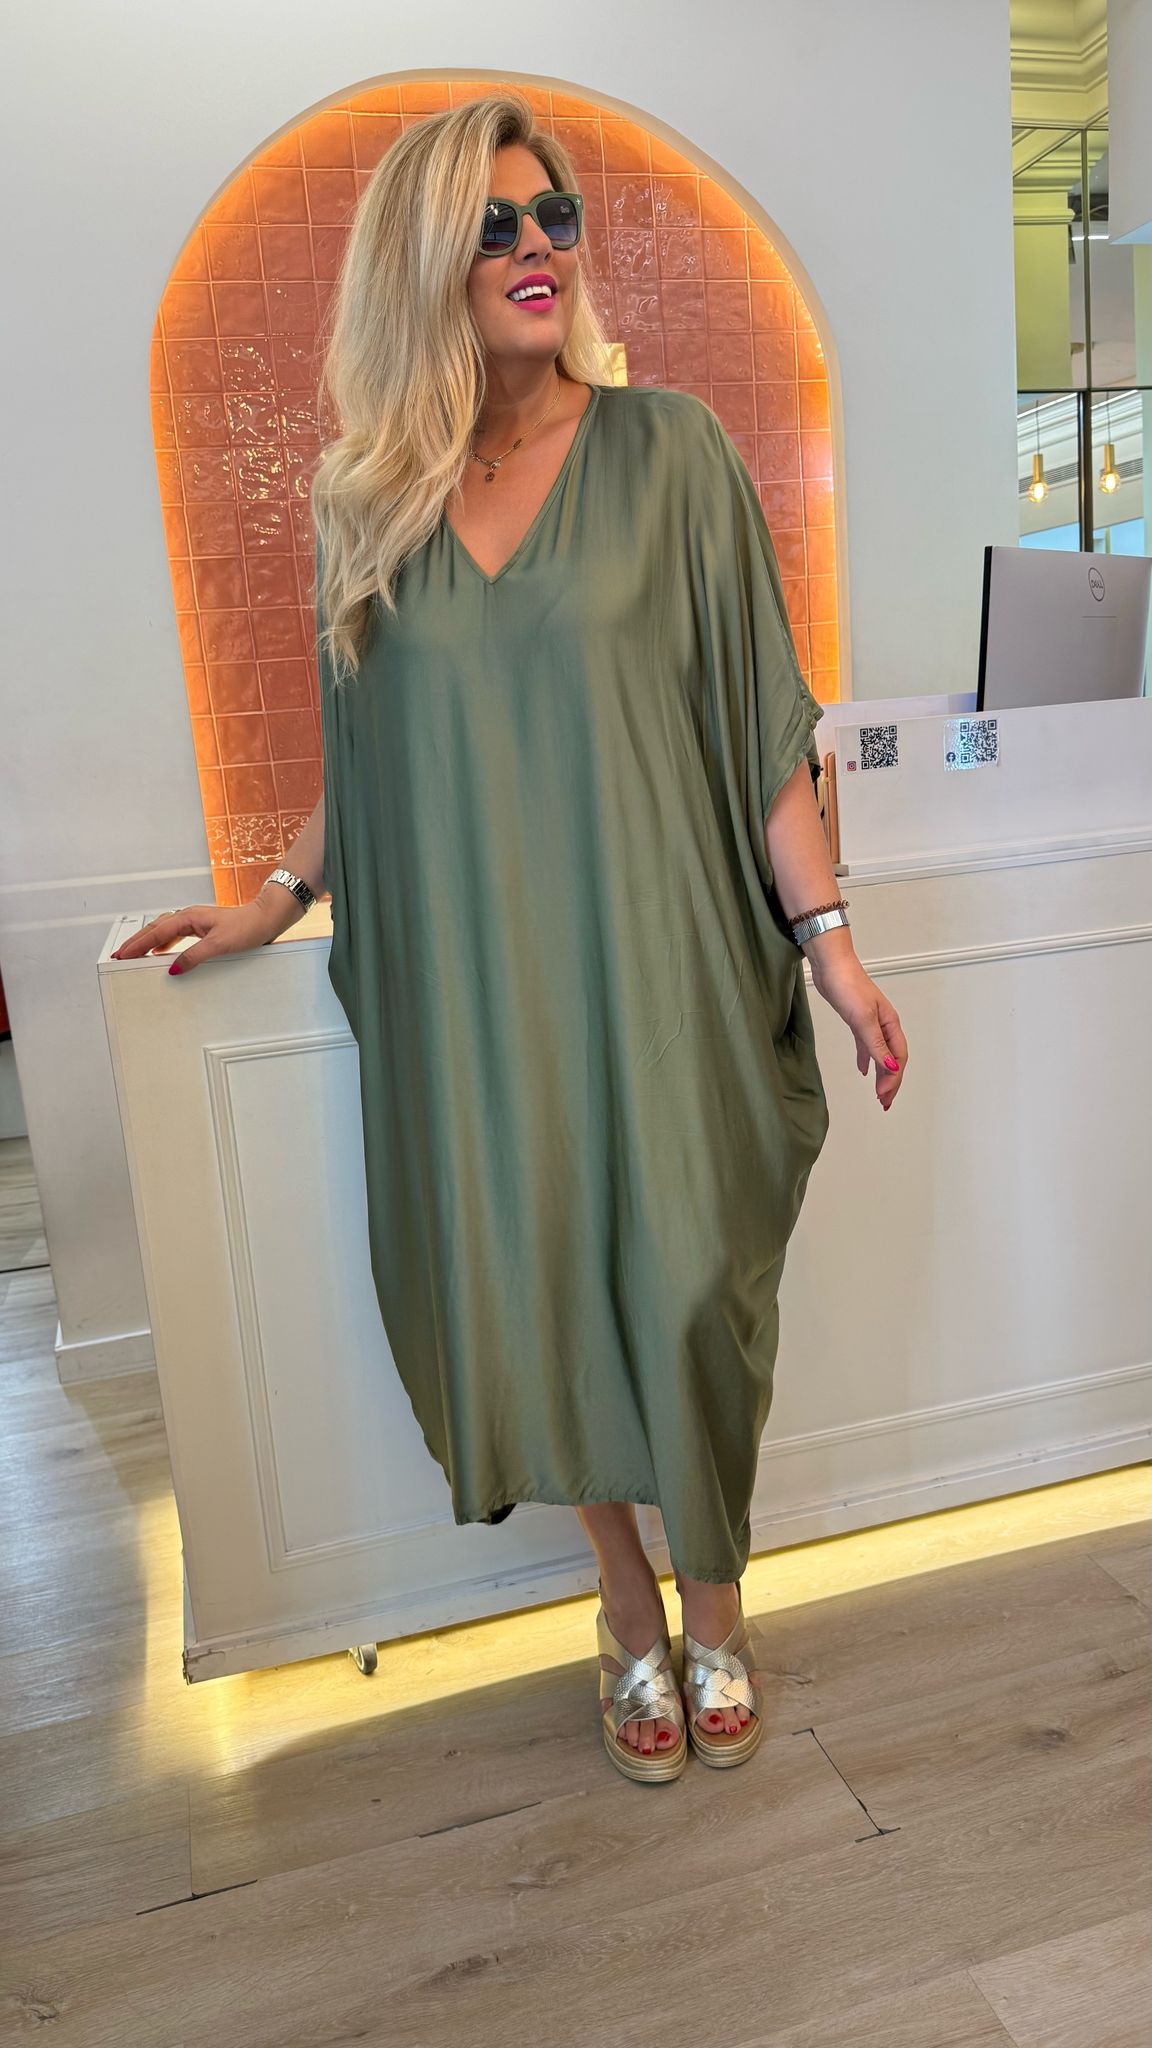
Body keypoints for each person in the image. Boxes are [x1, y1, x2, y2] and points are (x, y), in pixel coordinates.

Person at [113, 91, 907, 1785]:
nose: (536, 248)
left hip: (665, 964)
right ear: (423, 265)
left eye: (552, 218)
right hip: (483, 989)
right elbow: (364, 759)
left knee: (685, 1286)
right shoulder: (364, 502)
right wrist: (273, 897)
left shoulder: (671, 451)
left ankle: (718, 1602)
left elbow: (762, 729)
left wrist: (831, 946)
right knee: (538, 1283)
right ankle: (626, 1607)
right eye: (491, 227)